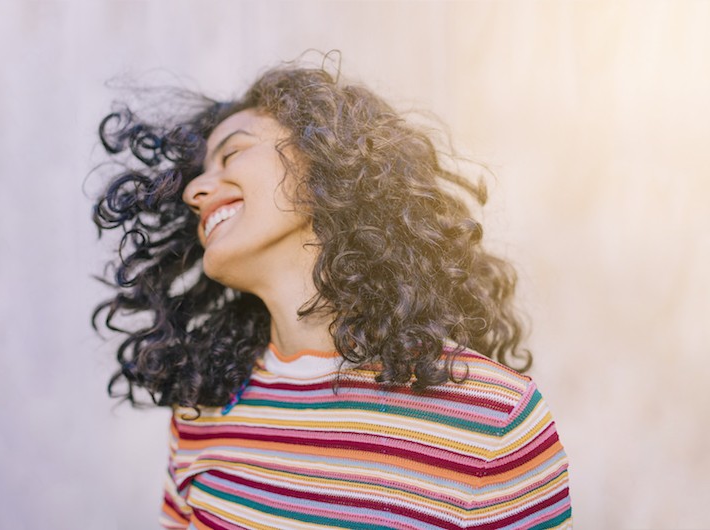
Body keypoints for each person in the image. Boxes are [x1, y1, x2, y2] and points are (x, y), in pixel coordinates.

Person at [93, 61, 572, 529]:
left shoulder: (493, 418)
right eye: (199, 174)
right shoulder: (202, 412)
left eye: (232, 154)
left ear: (323, 160)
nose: (195, 189)